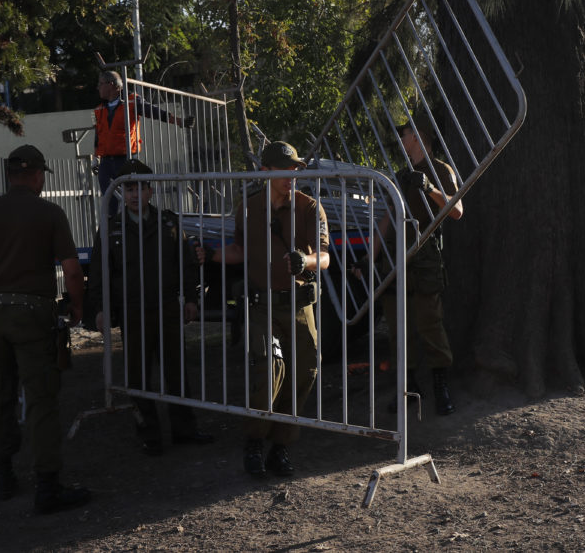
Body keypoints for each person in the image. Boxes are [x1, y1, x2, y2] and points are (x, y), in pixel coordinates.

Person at [0, 144, 91, 513]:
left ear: (9, 175)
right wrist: (77, 306)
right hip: (31, 314)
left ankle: (4, 475)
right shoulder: (50, 213)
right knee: (41, 399)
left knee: (0, 396)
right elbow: (72, 269)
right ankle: (47, 487)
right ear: (38, 175)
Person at [199, 141, 329, 478]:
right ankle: (255, 442)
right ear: (265, 172)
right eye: (284, 170)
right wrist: (211, 255)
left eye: (295, 170)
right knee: (269, 372)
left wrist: (305, 261)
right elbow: (241, 250)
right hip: (262, 307)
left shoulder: (309, 207)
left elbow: (325, 257)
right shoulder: (249, 208)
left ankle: (280, 447)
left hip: (299, 305)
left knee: (304, 374)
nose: (291, 176)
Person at [85, 159, 214, 456]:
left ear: (150, 191)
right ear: (121, 192)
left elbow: (185, 264)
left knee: (176, 371)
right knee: (138, 375)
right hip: (132, 311)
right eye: (129, 189)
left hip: (167, 307)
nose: (134, 194)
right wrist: (101, 308)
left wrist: (191, 299)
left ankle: (184, 429)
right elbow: (100, 273)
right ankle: (149, 434)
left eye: (140, 188)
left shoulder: (168, 223)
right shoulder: (111, 228)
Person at [360, 116, 463, 416]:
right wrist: (369, 257)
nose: (401, 139)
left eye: (404, 134)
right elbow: (387, 217)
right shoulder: (401, 174)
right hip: (395, 257)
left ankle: (441, 387)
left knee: (430, 322)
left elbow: (456, 210)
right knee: (397, 327)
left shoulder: (441, 169)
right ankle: (407, 387)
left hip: (425, 256)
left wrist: (429, 187)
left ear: (417, 136)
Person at [93, 70, 194, 214]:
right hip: (106, 162)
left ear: (111, 85)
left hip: (125, 160)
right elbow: (98, 134)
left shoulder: (132, 101)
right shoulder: (100, 109)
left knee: (133, 197)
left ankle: (138, 222)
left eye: (101, 84)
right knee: (110, 200)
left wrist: (178, 121)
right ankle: (113, 225)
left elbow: (154, 112)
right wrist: (96, 158)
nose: (98, 87)